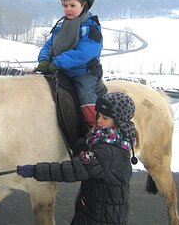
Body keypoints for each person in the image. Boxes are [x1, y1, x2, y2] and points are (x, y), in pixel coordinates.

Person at [17, 92, 136, 224]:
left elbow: (73, 170)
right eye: (99, 115)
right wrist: (82, 147)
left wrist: (35, 170)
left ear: (118, 122)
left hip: (99, 218)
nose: (99, 120)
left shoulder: (106, 151)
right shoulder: (113, 140)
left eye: (105, 117)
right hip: (100, 211)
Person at [36, 0, 104, 127]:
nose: (68, 9)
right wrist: (44, 60)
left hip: (82, 72)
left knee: (86, 96)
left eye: (72, 5)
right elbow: (49, 45)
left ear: (84, 4)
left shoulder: (91, 28)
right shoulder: (61, 26)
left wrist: (58, 62)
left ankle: (95, 129)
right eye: (64, 5)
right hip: (59, 69)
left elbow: (84, 54)